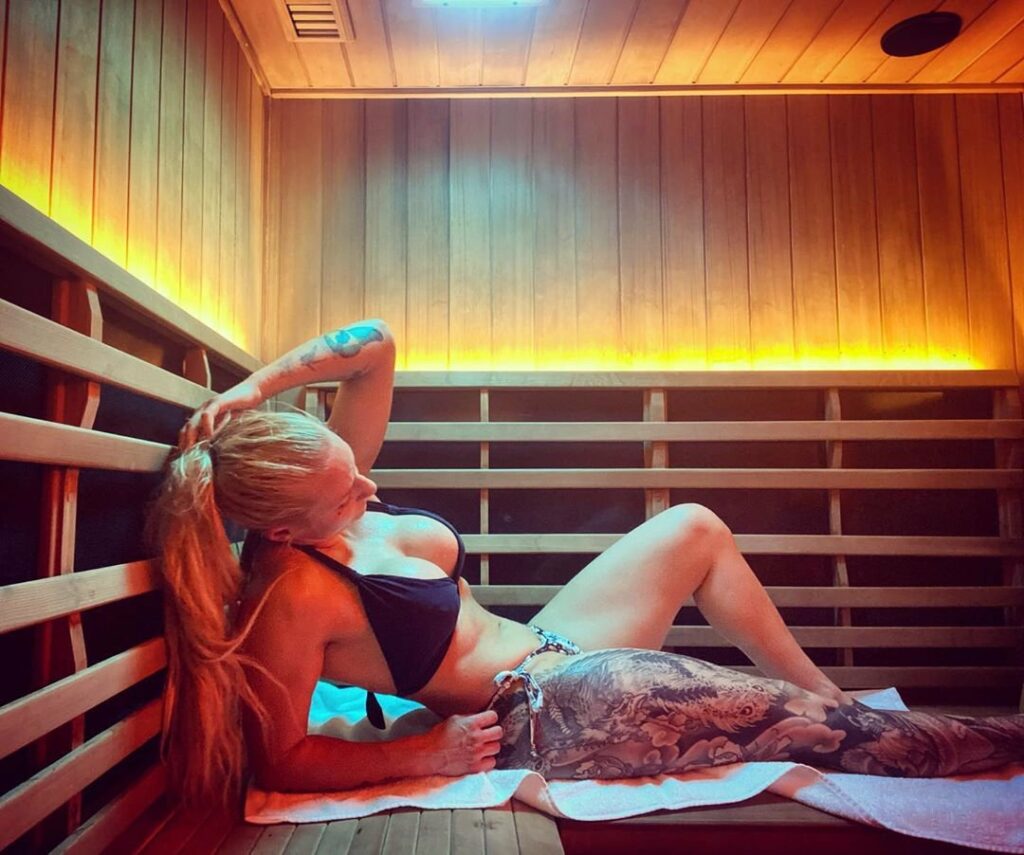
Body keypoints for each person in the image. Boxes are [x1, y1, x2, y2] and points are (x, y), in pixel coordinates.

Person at [150, 320, 1024, 805]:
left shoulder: (324, 483)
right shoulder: (291, 597)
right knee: (829, 734)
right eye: (346, 495)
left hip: (552, 643)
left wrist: (253, 390)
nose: (370, 487)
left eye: (355, 469)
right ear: (283, 532)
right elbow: (280, 758)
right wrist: (423, 753)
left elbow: (372, 342)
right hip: (544, 710)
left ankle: (830, 688)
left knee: (692, 527)